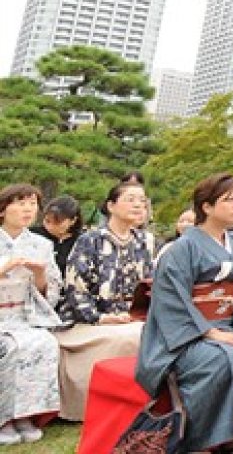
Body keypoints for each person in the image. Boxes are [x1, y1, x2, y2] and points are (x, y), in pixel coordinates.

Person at [137, 173, 233, 453]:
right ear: (207, 207)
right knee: (220, 360)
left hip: (230, 325)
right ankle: (200, 438)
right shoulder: (181, 248)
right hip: (185, 335)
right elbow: (172, 300)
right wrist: (212, 334)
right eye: (229, 200)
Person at [54, 180, 154, 421]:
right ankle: (106, 404)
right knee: (130, 337)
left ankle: (148, 402)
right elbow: (75, 287)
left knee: (152, 331)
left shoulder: (144, 241)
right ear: (111, 205)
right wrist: (100, 317)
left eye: (142, 200)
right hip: (87, 320)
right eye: (130, 199)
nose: (138, 205)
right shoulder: (90, 240)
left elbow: (150, 284)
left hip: (130, 316)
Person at [0, 184, 62, 446]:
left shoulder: (41, 244)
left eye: (33, 204)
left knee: (45, 343)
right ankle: (4, 418)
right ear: (3, 209)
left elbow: (50, 291)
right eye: (21, 203)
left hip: (24, 314)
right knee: (10, 347)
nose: (28, 209)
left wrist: (38, 275)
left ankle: (26, 414)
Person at [35, 196, 81, 278]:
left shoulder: (81, 241)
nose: (51, 227)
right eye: (47, 221)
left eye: (57, 223)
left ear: (73, 221)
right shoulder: (34, 235)